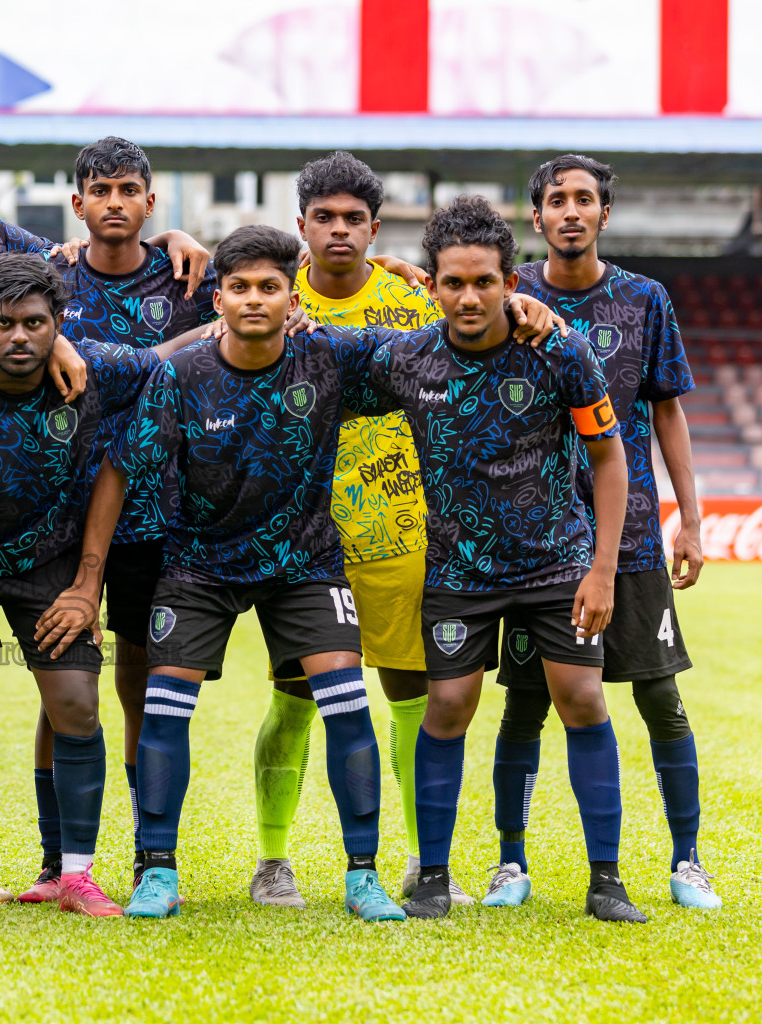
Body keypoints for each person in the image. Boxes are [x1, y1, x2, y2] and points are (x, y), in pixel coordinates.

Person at [58, 224, 408, 923]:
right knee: (163, 708)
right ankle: (156, 869)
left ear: (291, 296)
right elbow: (118, 472)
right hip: (200, 564)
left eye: (270, 288)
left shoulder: (328, 359)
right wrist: (86, 582)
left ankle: (362, 875)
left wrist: (507, 305)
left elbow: (428, 351)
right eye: (240, 287)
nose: (254, 300)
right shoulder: (179, 375)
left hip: (303, 561)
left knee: (347, 701)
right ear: (217, 298)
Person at [340, 195, 643, 923]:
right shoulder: (405, 358)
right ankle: (434, 879)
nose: (469, 296)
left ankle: (607, 881)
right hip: (457, 569)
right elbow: (320, 350)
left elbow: (609, 456)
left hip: (554, 562)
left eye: (484, 281)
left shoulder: (559, 349)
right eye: (453, 282)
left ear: (514, 282)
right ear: (433, 286)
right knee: (446, 707)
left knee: (583, 700)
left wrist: (600, 570)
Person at [0, 253, 196, 918]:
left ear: (60, 324)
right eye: (3, 324)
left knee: (78, 704)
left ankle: (75, 875)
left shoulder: (100, 373)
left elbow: (166, 365)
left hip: (48, 564)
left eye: (35, 323)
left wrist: (88, 583)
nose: (19, 337)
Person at [486, 155, 717, 910]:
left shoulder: (645, 300)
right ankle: (511, 864)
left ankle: (687, 862)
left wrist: (691, 515)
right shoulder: (506, 292)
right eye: (558, 200)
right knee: (526, 703)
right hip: (534, 537)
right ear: (538, 217)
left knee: (659, 699)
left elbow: (669, 411)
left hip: (635, 541)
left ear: (604, 215)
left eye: (585, 199)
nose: (572, 212)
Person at [250, 150, 473, 908]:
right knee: (294, 696)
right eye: (325, 217)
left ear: (375, 229)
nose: (339, 230)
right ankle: (273, 861)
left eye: (354, 219)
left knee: (411, 692)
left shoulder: (415, 304)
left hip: (401, 525)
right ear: (302, 225)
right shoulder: (271, 297)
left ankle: (420, 859)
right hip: (301, 533)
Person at [18, 136, 222, 901]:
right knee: (59, 681)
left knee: (141, 684)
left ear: (149, 201)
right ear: (77, 204)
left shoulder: (189, 279)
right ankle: (55, 860)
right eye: (99, 190)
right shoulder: (50, 277)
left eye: (128, 190)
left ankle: (149, 858)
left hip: (158, 515)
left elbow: (282, 292)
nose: (113, 202)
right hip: (57, 511)